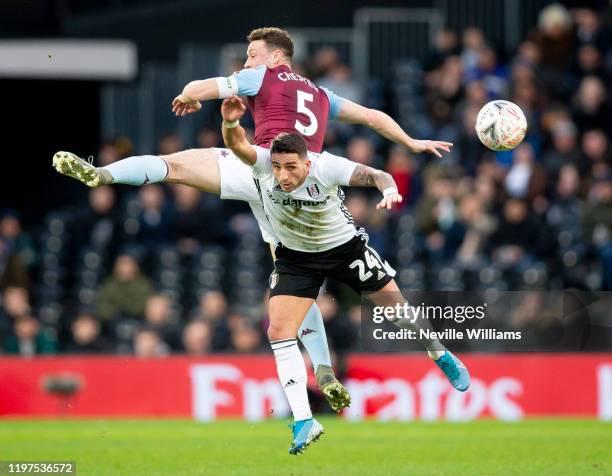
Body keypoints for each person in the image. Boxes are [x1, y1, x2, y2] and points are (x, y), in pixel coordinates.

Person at [52, 27, 451, 413]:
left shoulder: (262, 76)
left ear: (276, 57)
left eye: (252, 54)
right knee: (297, 267)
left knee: (172, 167)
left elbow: (203, 87)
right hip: (297, 179)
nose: (247, 62)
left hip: (261, 167)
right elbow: (371, 116)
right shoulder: (320, 93)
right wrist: (411, 142)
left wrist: (187, 95)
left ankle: (104, 174)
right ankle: (331, 369)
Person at [220, 96, 470, 454]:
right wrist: (230, 123)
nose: (283, 175)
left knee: (397, 311)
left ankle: (438, 353)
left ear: (307, 162)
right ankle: (305, 419)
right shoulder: (266, 165)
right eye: (277, 167)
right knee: (278, 330)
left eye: (291, 167)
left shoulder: (327, 166)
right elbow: (238, 146)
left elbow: (375, 174)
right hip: (298, 258)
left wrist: (389, 188)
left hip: (344, 249)